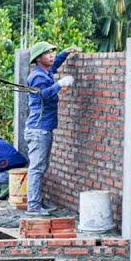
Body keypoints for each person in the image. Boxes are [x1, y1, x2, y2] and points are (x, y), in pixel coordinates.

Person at [24, 41, 80, 216]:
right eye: (47, 53)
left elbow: (54, 65)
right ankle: (33, 206)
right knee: (37, 168)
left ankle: (37, 202)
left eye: (52, 52)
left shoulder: (44, 72)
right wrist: (60, 84)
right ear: (39, 58)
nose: (51, 55)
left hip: (43, 129)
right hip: (38, 129)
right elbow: (43, 96)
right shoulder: (37, 77)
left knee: (40, 167)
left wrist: (65, 52)